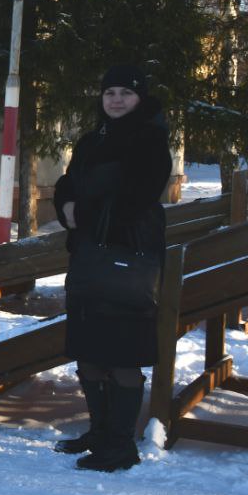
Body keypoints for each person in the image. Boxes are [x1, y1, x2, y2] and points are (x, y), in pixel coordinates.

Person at [51, 64, 171, 472]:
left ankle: (121, 444)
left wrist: (80, 209)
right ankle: (100, 432)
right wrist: (66, 205)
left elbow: (137, 197)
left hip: (128, 259)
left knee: (122, 355)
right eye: (109, 93)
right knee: (88, 351)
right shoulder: (91, 140)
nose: (116, 99)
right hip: (89, 257)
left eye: (125, 92)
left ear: (140, 98)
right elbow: (68, 183)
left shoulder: (150, 140)